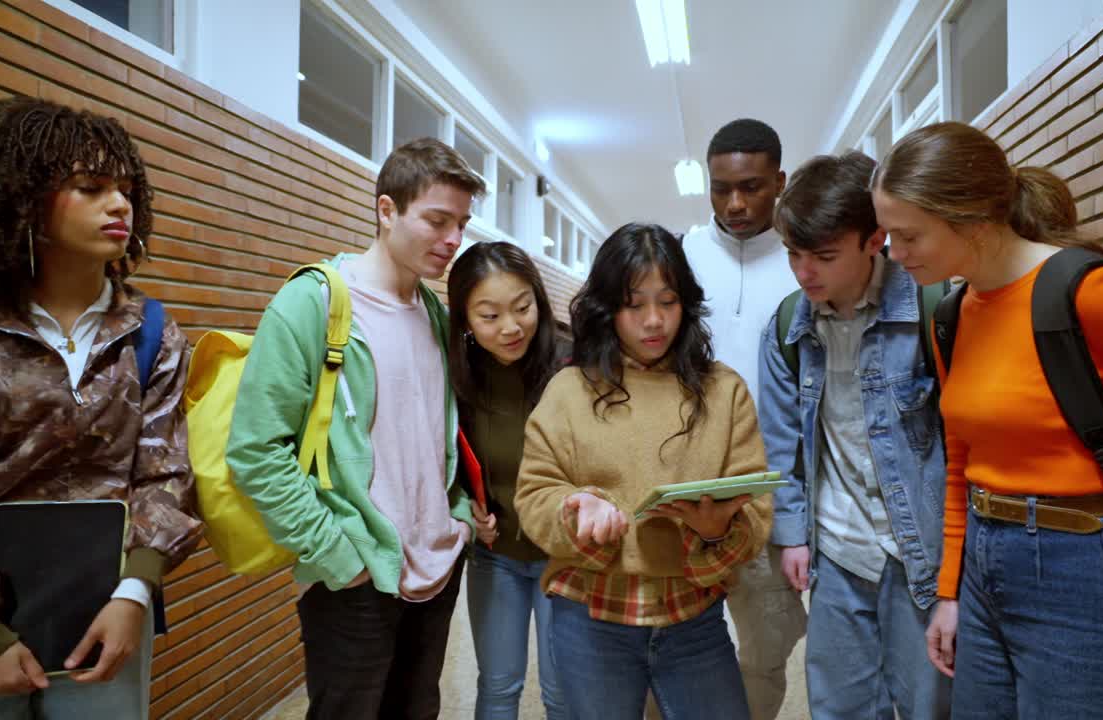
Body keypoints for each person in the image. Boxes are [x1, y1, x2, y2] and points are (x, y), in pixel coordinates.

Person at [871, 121, 1103, 718]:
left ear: (974, 221)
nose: (894, 255)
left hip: (1084, 570)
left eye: (907, 236)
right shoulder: (953, 315)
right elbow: (963, 461)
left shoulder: (1094, 294)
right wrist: (951, 591)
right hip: (985, 565)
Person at [0, 97, 203, 718]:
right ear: (21, 199)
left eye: (124, 189)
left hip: (105, 612)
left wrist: (136, 593)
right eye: (90, 188)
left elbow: (165, 472)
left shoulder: (152, 330)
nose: (119, 205)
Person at [225, 138, 485, 719]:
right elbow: (255, 449)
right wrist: (337, 553)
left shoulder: (436, 313)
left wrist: (459, 515)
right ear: (386, 210)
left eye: (462, 224)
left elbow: (436, 433)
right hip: (356, 574)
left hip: (436, 566)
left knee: (417, 710)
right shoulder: (312, 302)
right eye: (437, 221)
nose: (452, 241)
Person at [515, 222, 773, 720]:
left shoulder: (724, 390)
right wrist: (577, 507)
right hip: (590, 614)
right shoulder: (569, 389)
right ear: (608, 308)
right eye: (634, 305)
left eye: (668, 301)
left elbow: (756, 505)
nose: (653, 321)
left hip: (694, 616)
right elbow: (535, 493)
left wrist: (718, 531)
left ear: (687, 304)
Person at [757, 151, 949, 719]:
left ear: (875, 241)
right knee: (839, 708)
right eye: (793, 253)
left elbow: (964, 443)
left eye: (823, 255)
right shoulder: (790, 323)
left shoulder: (935, 309)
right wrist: (791, 533)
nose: (803, 271)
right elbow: (780, 443)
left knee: (929, 706)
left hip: (923, 554)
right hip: (837, 551)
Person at [681, 119, 806, 720]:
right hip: (688, 486)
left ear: (779, 181)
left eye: (752, 187)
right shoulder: (682, 255)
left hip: (771, 490)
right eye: (720, 187)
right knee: (674, 644)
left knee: (764, 650)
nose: (734, 203)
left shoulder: (804, 260)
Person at [446, 241, 565, 719]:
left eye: (522, 308)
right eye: (489, 316)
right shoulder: (456, 374)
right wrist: (464, 507)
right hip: (497, 557)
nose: (511, 327)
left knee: (563, 692)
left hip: (567, 557)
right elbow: (441, 459)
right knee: (498, 686)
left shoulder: (573, 363)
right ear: (466, 321)